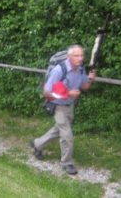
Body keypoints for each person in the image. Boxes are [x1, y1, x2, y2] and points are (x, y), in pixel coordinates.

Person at [30, 45, 96, 175]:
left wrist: (90, 79)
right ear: (69, 57)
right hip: (58, 106)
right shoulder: (59, 70)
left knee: (58, 130)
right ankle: (67, 163)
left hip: (70, 106)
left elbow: (85, 86)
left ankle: (37, 144)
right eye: (76, 56)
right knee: (67, 135)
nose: (80, 58)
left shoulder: (80, 69)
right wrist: (68, 94)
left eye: (81, 55)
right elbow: (47, 92)